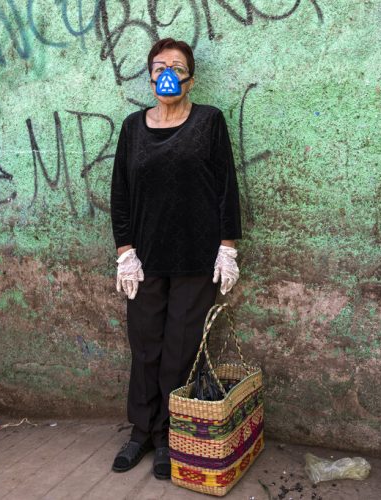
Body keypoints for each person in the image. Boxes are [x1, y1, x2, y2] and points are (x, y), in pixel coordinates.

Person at [109, 38, 242, 480]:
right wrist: (124, 252)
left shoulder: (209, 121)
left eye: (177, 66)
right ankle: (140, 431)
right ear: (149, 76)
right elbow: (120, 194)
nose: (168, 72)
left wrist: (228, 246)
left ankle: (169, 434)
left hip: (195, 258)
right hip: (145, 259)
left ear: (190, 78)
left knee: (179, 350)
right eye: (160, 65)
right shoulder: (132, 128)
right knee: (144, 345)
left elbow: (226, 185)